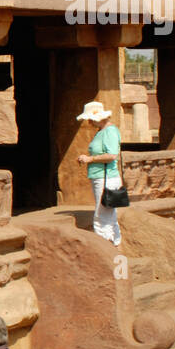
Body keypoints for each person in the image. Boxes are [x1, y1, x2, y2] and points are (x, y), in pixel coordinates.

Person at [76, 100, 122, 246]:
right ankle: (113, 241)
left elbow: (112, 155)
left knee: (101, 214)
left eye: (90, 119)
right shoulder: (103, 132)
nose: (89, 123)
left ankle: (105, 243)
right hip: (102, 177)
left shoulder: (109, 131)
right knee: (107, 213)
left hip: (106, 178)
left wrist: (90, 159)